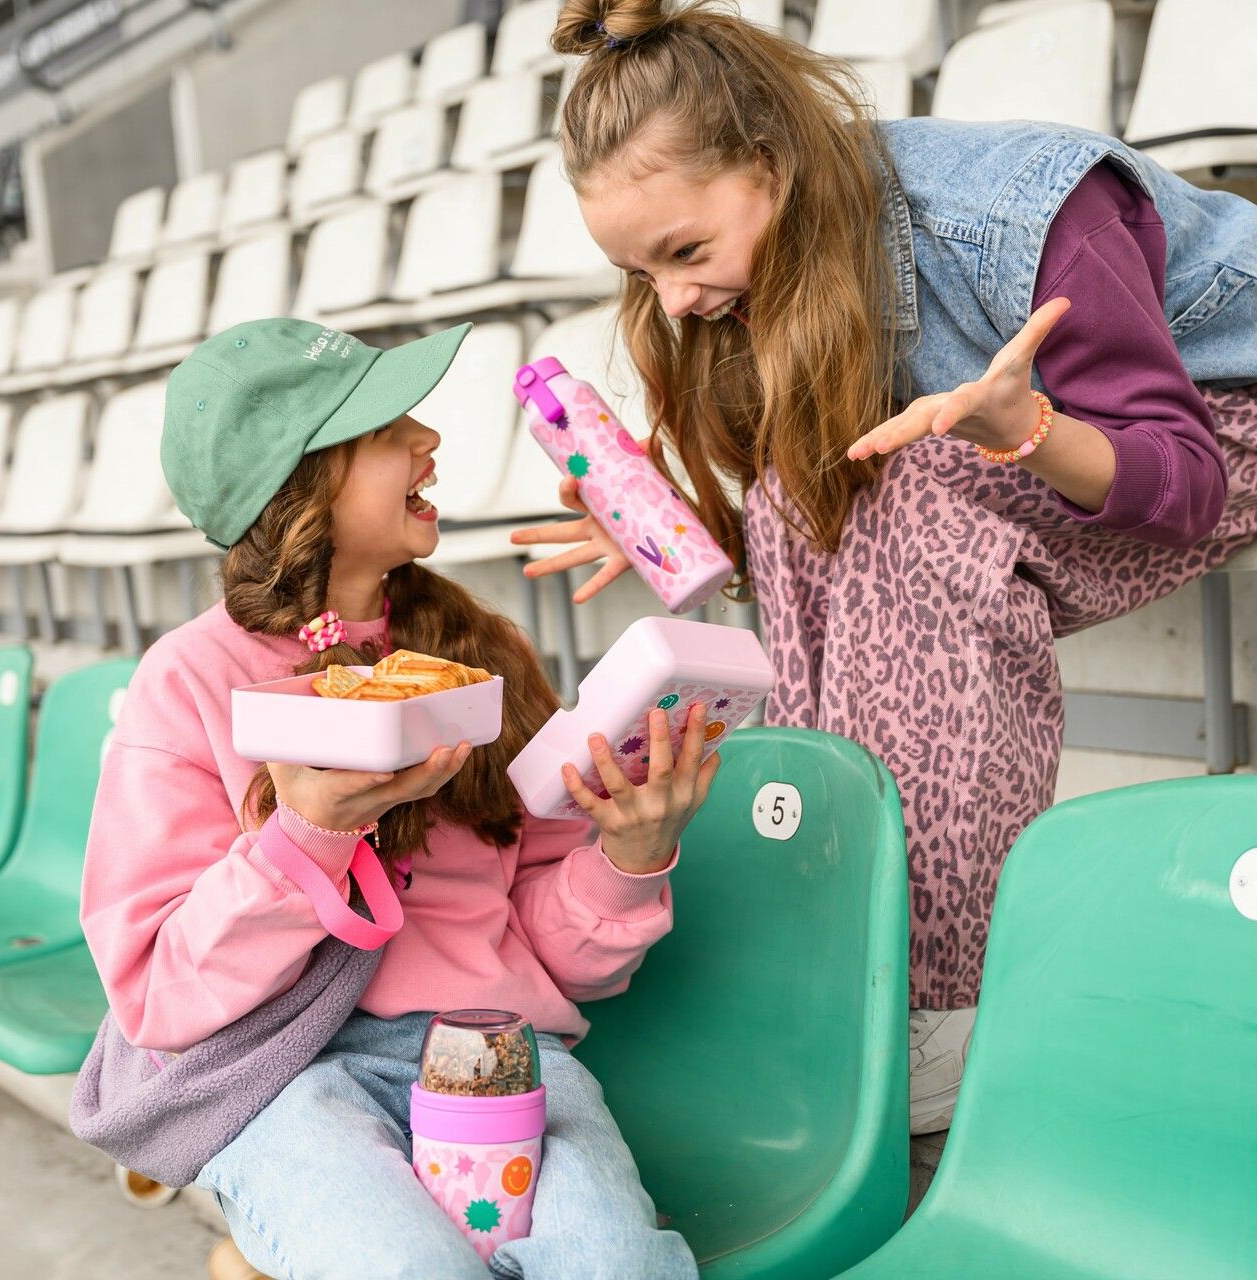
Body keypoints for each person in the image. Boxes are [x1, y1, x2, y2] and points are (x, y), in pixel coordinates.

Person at [511, 0, 1257, 1133]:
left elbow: (1184, 478)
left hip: (1210, 421)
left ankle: (945, 999)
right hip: (1032, 452)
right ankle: (853, 941)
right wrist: (661, 529)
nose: (671, 298)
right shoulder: (759, 271)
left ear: (768, 162)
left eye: (684, 252)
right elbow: (803, 525)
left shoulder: (1018, 211)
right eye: (638, 268)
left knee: (920, 491)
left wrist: (1024, 432)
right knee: (816, 490)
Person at [80, 319, 713, 1279]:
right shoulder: (191, 682)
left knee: (617, 1267)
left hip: (493, 1051)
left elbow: (550, 949)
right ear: (298, 484)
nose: (430, 440)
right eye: (386, 427)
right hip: (285, 1074)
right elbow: (158, 990)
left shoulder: (480, 653)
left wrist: (630, 857)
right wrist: (307, 834)